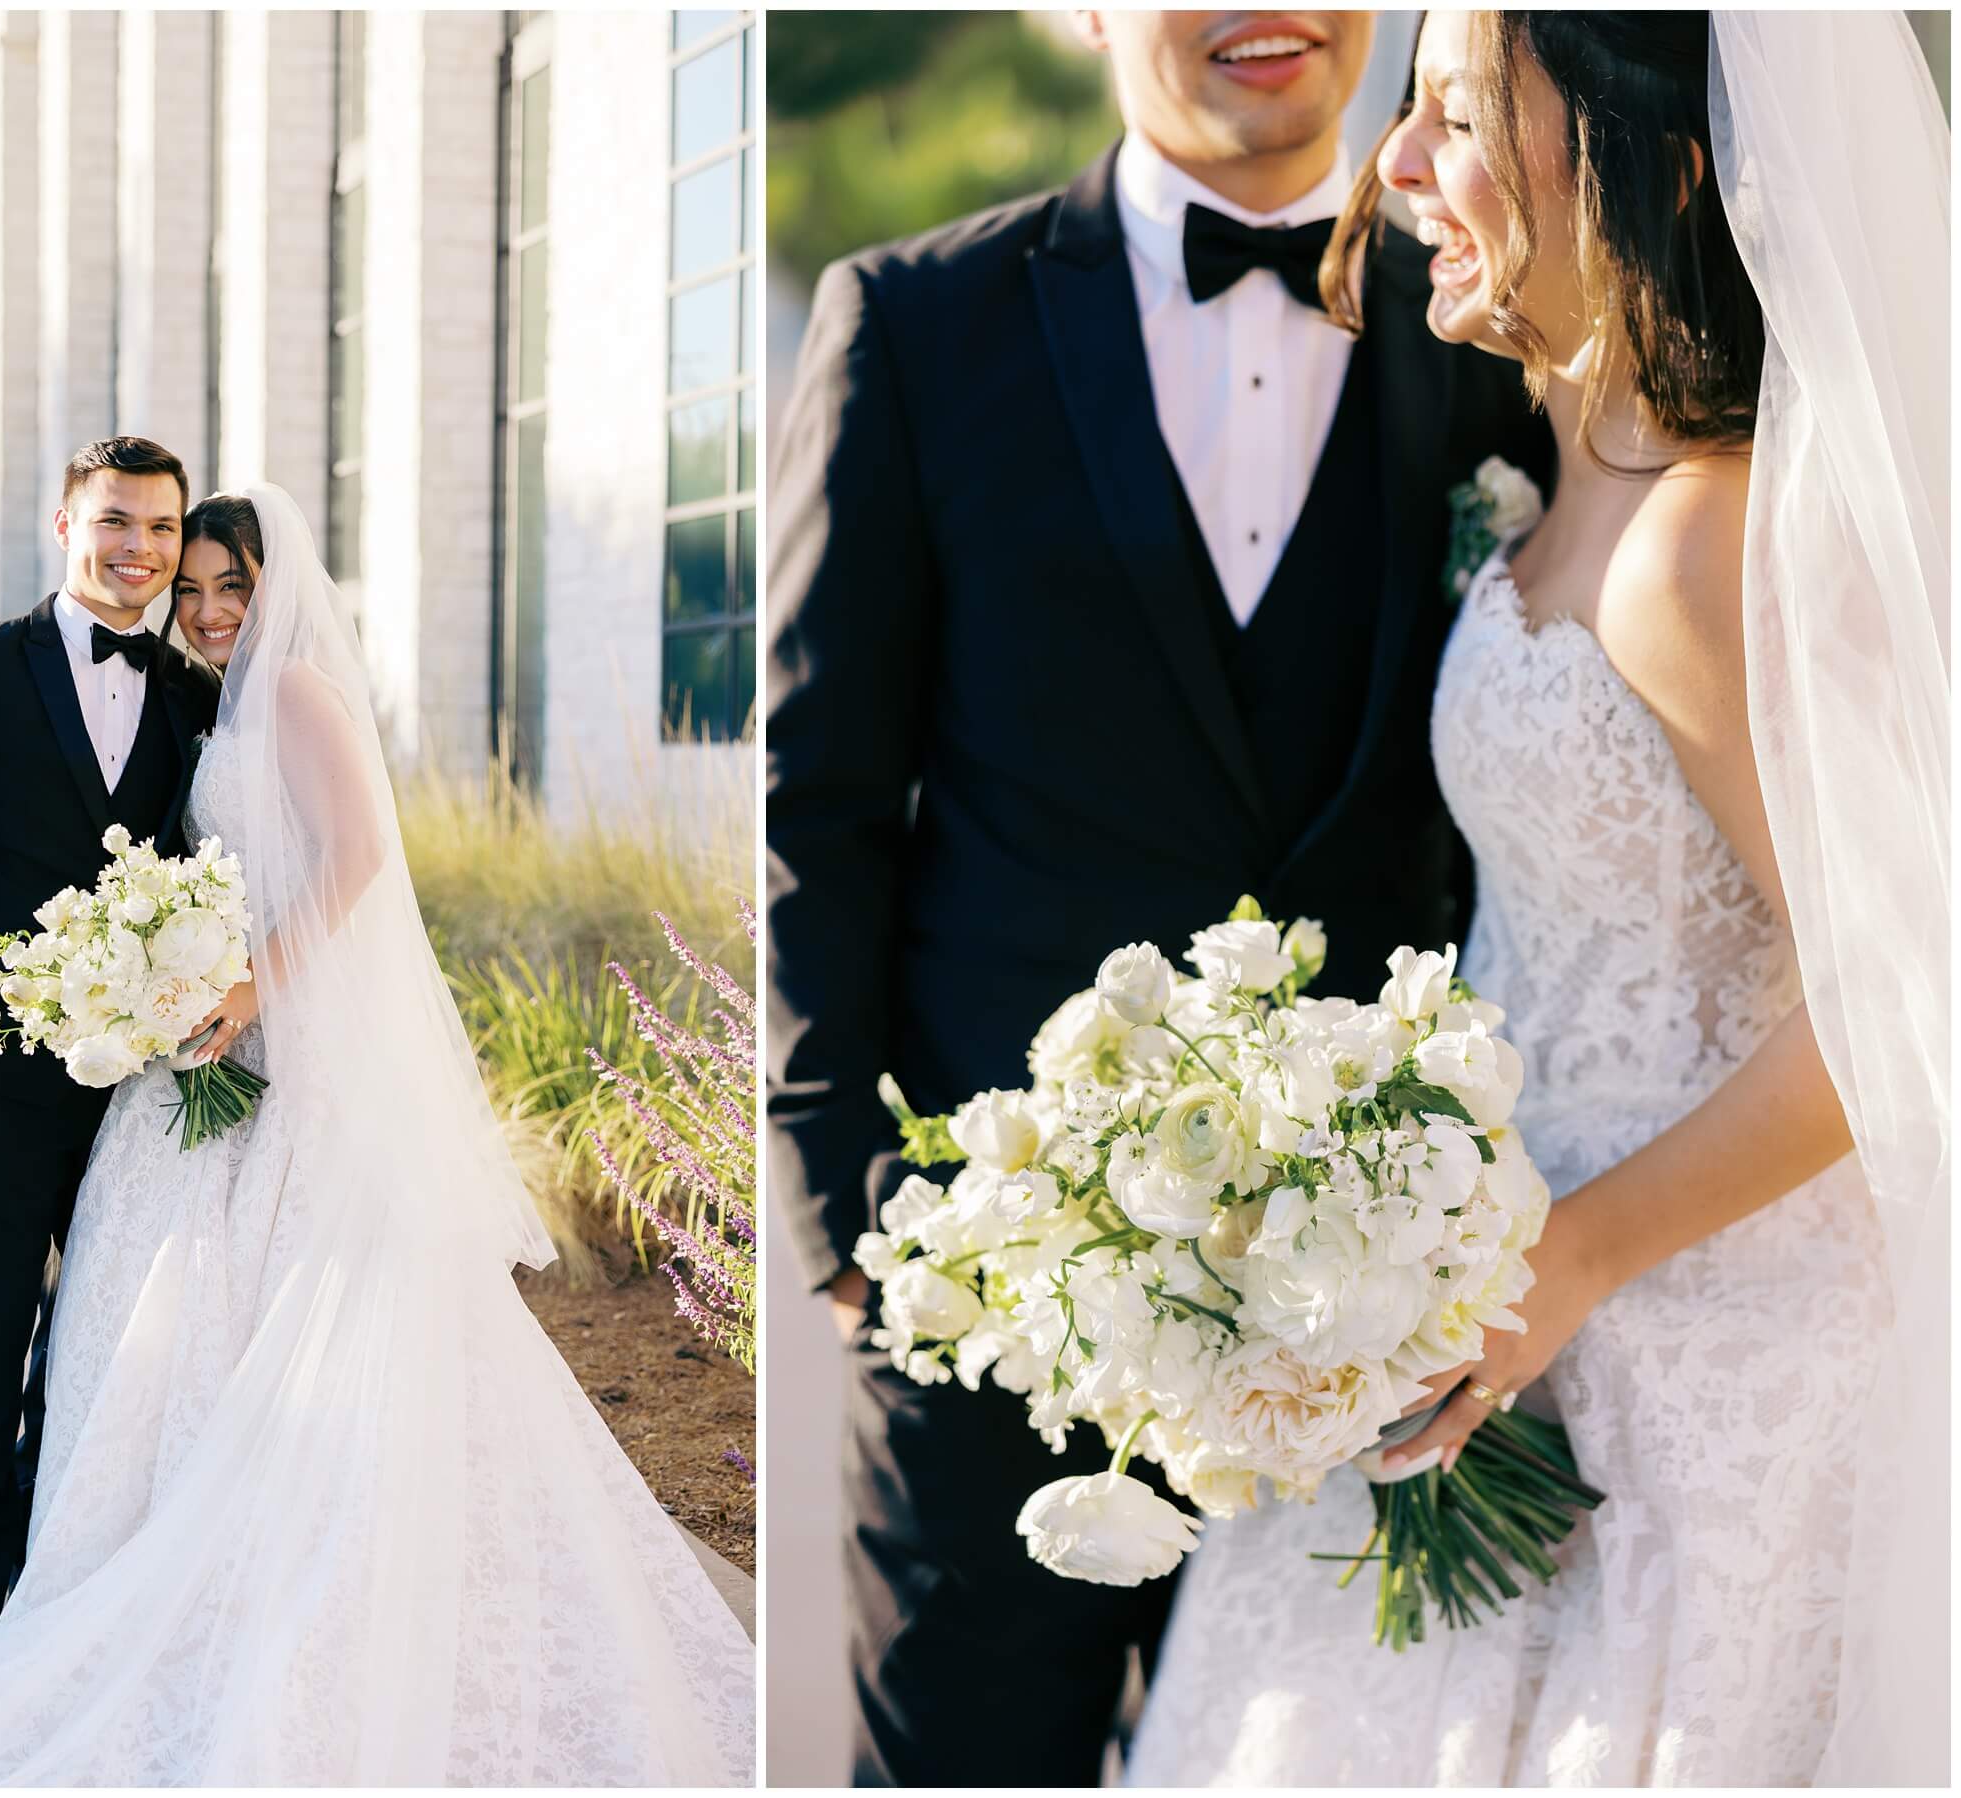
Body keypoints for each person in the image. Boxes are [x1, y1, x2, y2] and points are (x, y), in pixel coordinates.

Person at [0, 486, 757, 1785]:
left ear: (272, 588)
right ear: (71, 525)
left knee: (229, 1327)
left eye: (226, 584)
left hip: (257, 1052)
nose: (201, 603)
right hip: (112, 1060)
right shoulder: (72, 678)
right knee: (34, 1328)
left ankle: (234, 1596)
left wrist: (246, 983)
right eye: (186, 578)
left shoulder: (274, 695)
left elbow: (358, 854)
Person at [1127, 12, 1947, 1784]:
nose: (1397, 175)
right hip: (1508, 1314)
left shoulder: (1700, 547)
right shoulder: (1570, 482)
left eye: (1453, 123)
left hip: (1700, 1348)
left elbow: (1901, 1015)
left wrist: (1566, 1253)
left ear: (1653, 165)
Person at [765, 11, 1550, 1783]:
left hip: (1381, 1323)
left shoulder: (1494, 325)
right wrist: (842, 1224)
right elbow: (818, 795)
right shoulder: (913, 322)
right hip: (1001, 1299)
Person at [0, 435, 216, 1682]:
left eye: (162, 530)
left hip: (146, 1085)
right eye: (117, 521)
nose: (139, 549)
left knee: (100, 1343)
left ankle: (56, 1588)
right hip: (3, 1072)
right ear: (67, 520)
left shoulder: (194, 694)